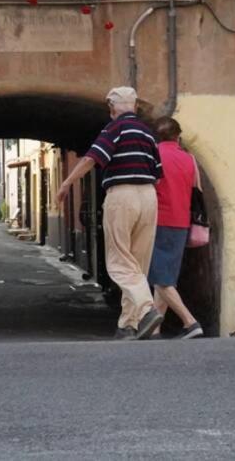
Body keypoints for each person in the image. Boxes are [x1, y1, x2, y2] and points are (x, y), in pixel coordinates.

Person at [56, 86, 164, 340]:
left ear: (112, 109)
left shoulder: (114, 129)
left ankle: (147, 309)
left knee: (118, 261)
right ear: (135, 107)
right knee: (137, 265)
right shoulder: (148, 133)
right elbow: (158, 174)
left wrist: (66, 183)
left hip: (122, 195)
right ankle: (128, 325)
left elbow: (90, 159)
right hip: (148, 195)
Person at [148, 117, 204, 339]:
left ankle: (190, 322)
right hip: (181, 223)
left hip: (158, 220)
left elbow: (149, 187)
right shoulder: (189, 159)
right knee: (166, 276)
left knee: (159, 278)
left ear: (156, 137)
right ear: (178, 136)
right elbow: (196, 190)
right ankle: (154, 330)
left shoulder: (153, 156)